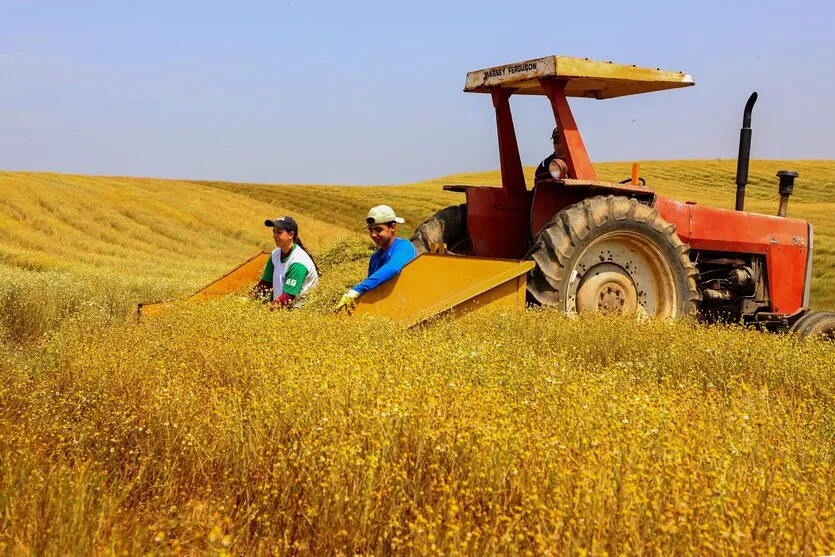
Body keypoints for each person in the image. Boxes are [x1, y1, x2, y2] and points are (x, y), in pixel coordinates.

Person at [335, 205, 417, 313]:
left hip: (408, 308)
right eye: (370, 230)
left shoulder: (404, 247)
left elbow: (393, 268)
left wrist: (357, 290)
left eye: (378, 230)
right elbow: (373, 290)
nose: (373, 235)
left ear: (392, 227)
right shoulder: (375, 258)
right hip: (385, 310)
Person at [252, 216, 320, 309]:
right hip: (280, 309)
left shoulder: (298, 261)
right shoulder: (275, 254)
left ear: (291, 234)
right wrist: (247, 300)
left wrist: (265, 311)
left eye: (279, 232)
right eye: (274, 232)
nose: (274, 236)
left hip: (299, 312)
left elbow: (287, 298)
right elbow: (265, 284)